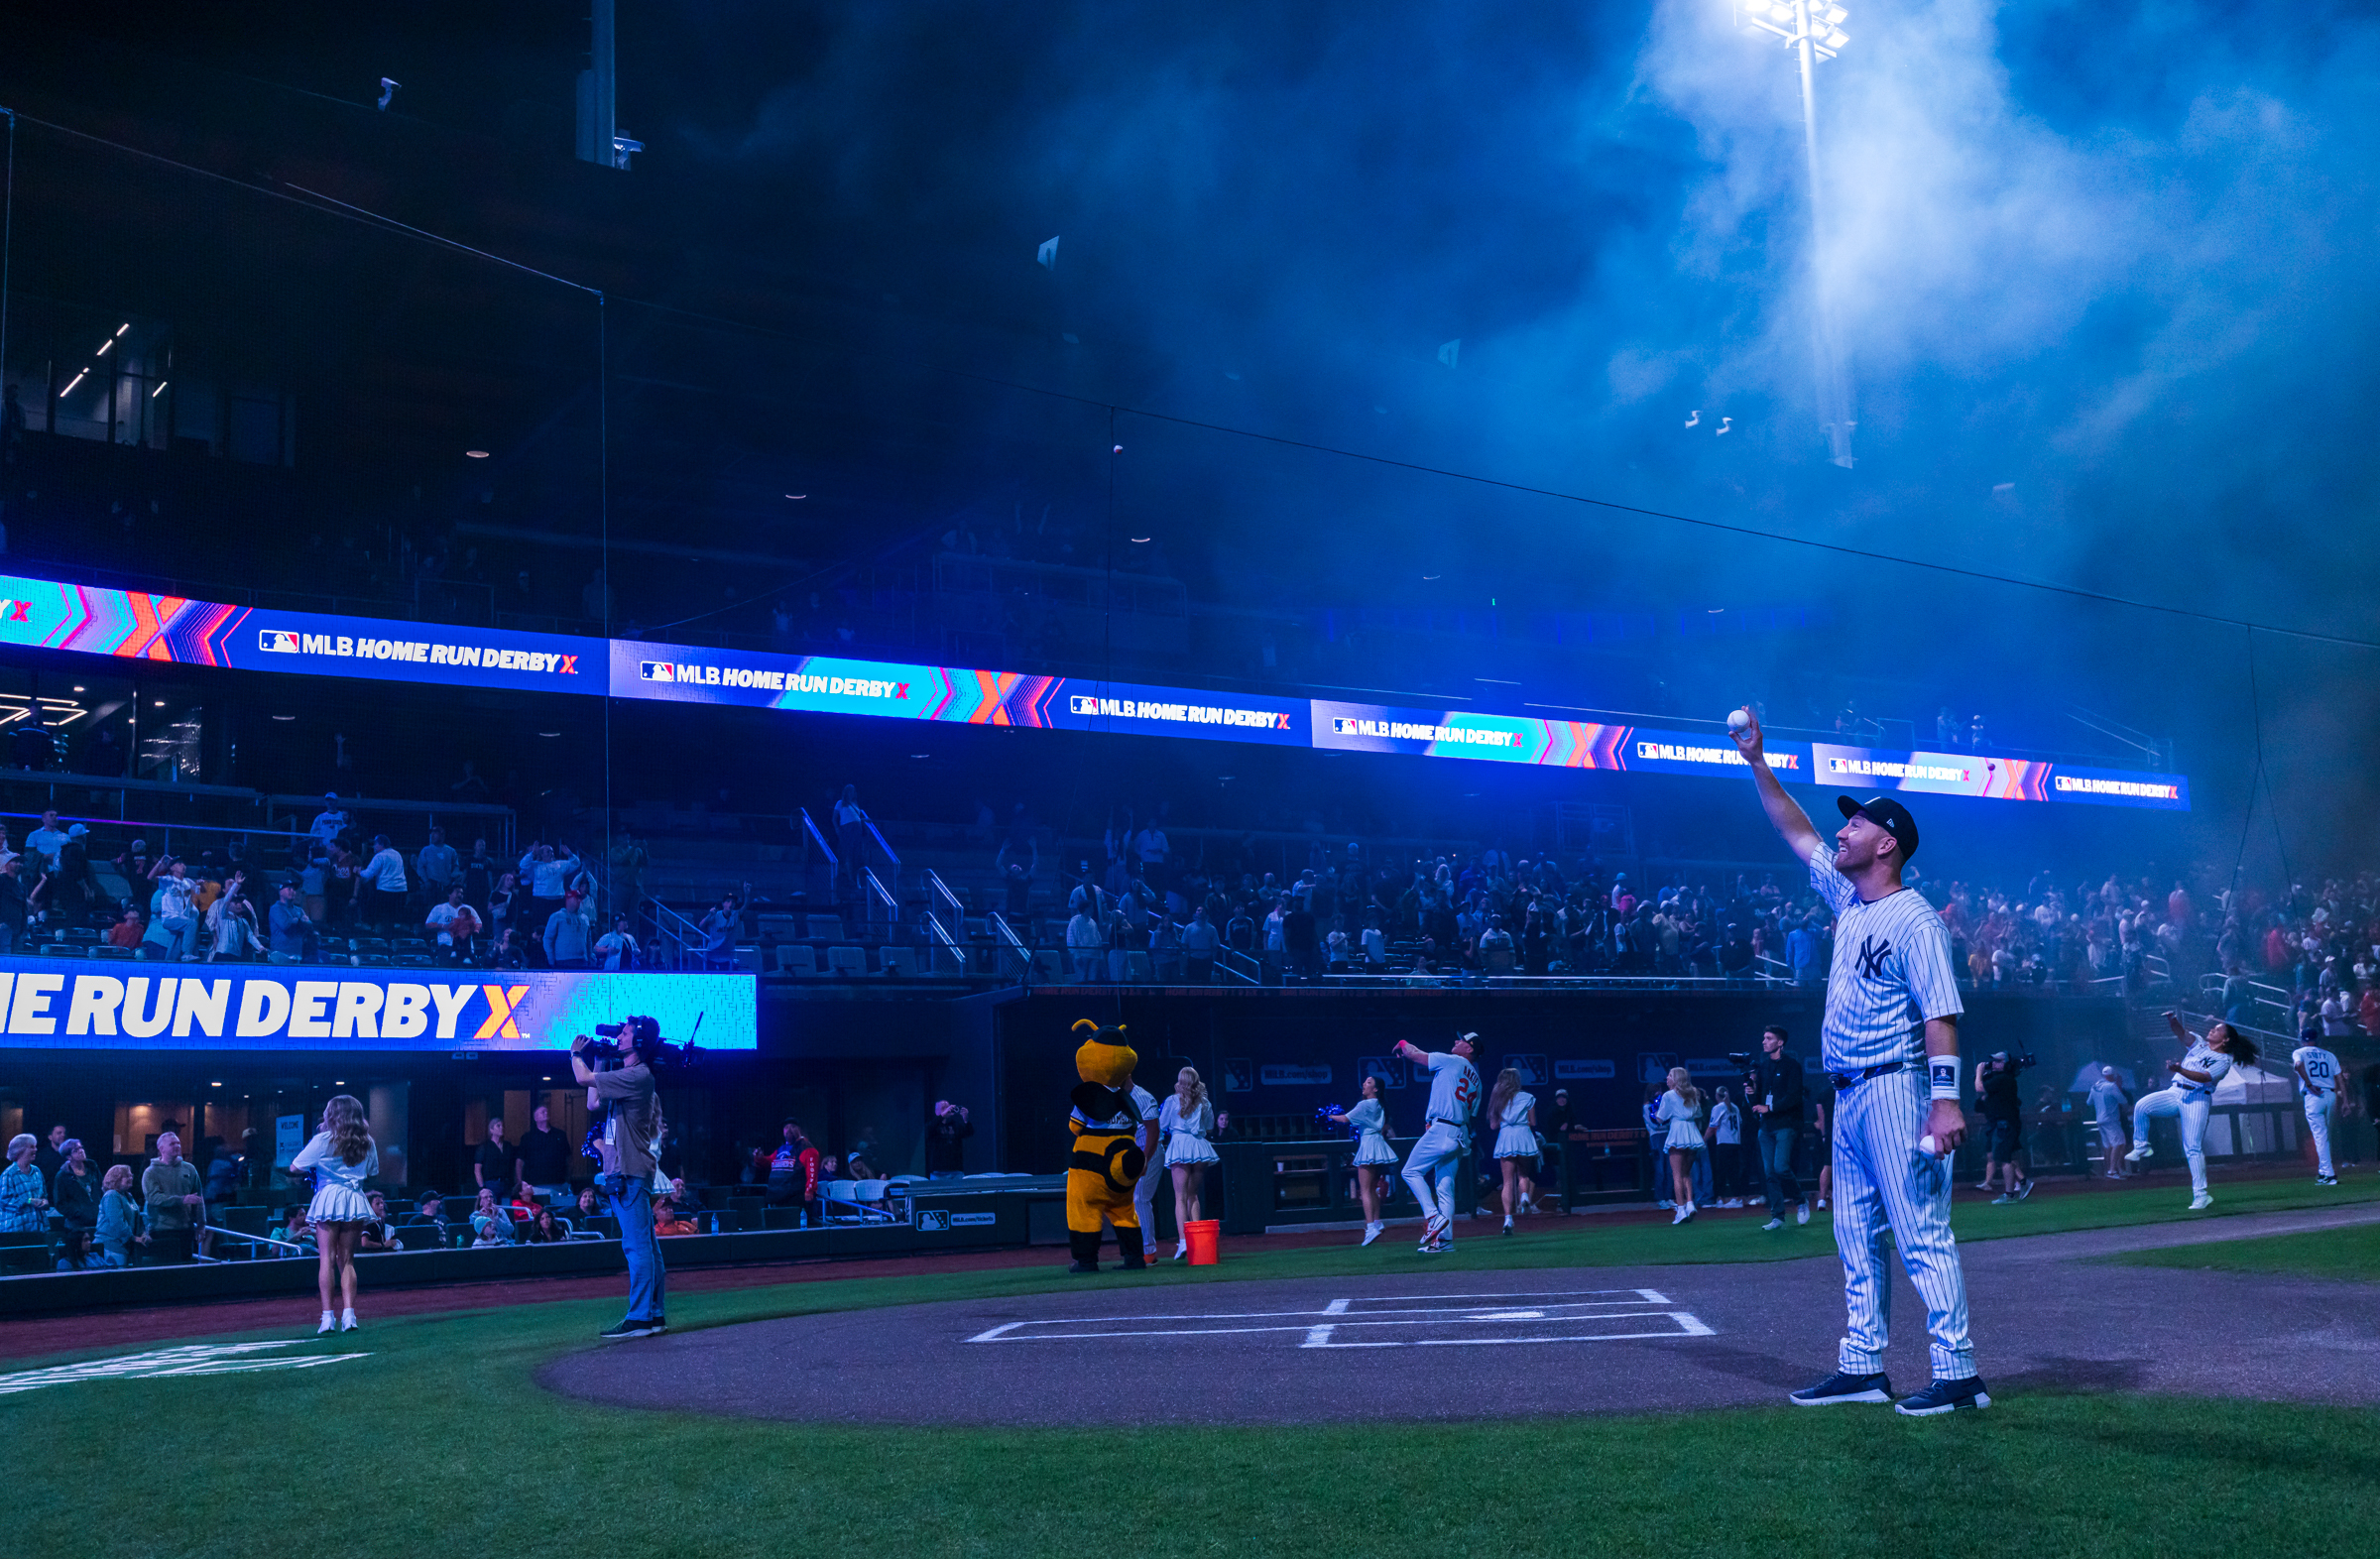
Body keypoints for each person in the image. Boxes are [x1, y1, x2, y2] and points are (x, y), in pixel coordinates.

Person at [1731, 705, 1985, 1415]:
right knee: (1853, 1234)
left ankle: (1959, 1373)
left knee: (1920, 1231)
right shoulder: (1848, 897)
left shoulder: (1915, 919)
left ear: (1888, 844)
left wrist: (1945, 1101)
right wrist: (1757, 760)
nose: (1840, 829)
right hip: (1847, 1093)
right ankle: (1863, 1364)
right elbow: (1795, 828)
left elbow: (1941, 1015)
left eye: (1855, 823)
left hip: (1900, 1088)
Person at [571, 1016, 669, 1338]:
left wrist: (577, 1055)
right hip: (628, 1171)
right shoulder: (632, 1075)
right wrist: (601, 1055)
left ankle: (640, 1318)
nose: (619, 1037)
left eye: (625, 1034)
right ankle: (653, 1315)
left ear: (638, 1042)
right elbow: (593, 1102)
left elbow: (584, 1079)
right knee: (648, 1247)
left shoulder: (637, 1075)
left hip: (628, 1171)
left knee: (637, 1247)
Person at [2127, 1013, 2259, 1208]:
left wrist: (2180, 1070)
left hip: (2197, 1099)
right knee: (2141, 1106)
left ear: (2226, 1040)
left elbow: (2204, 1077)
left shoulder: (2224, 1060)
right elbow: (2182, 1034)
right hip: (2175, 1092)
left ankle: (2201, 1195)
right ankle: (2142, 1146)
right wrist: (2173, 1020)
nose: (2212, 1029)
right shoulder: (2199, 1043)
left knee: (2192, 1147)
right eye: (2214, 1027)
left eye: (2218, 1029)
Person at [290, 1095, 377, 1334]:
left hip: (328, 1197)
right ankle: (350, 1316)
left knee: (326, 1259)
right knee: (347, 1260)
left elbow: (295, 1167)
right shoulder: (366, 1141)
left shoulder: (323, 1139)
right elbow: (372, 1170)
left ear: (332, 1115)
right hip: (354, 1198)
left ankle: (327, 1318)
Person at [1393, 1031, 1481, 1256]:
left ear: (1469, 1049)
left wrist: (1403, 1042)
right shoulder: (1477, 1081)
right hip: (1460, 1133)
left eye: (1461, 1040)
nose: (1455, 1041)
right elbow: (1469, 1113)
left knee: (1410, 1171)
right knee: (1444, 1188)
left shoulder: (1451, 1061)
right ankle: (1445, 1241)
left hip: (1443, 1129)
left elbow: (1414, 1054)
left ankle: (1433, 1217)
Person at [1159, 1065, 1224, 1261]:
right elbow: (1210, 1126)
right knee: (1193, 1195)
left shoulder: (1172, 1100)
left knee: (1180, 1197)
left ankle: (1184, 1241)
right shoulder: (1204, 1102)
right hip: (1198, 1146)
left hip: (1180, 1144)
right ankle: (1197, 1239)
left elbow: (1162, 1125)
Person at [1750, 1024, 1810, 1230]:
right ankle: (1778, 1217)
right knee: (1769, 1173)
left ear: (1780, 1042)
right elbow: (1756, 1102)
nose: (1764, 1041)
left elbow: (1794, 1097)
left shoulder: (1792, 1066)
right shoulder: (1762, 1066)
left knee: (1781, 1167)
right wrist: (1750, 1092)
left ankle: (1800, 1200)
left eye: (1768, 1038)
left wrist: (1770, 1107)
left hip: (1785, 1124)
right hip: (1766, 1127)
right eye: (1764, 1038)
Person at [1327, 1073, 1398, 1246]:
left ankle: (1370, 1227)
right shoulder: (1380, 1105)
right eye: (1365, 1082)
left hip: (1369, 1146)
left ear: (1376, 1089)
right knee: (1372, 1188)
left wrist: (1328, 1116)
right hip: (1378, 1145)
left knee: (1365, 1190)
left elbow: (1344, 1119)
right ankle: (1377, 1221)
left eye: (1368, 1083)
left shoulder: (1365, 1104)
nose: (1364, 1084)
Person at [1973, 1052, 2033, 1204]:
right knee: (2008, 1157)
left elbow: (1979, 1087)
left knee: (2004, 1158)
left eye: (1998, 1061)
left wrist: (1979, 1072)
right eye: (1992, 1060)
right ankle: (2023, 1183)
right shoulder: (2003, 1079)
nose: (1993, 1063)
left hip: (2004, 1123)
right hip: (2007, 1122)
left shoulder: (2003, 1079)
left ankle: (2010, 1195)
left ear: (2006, 1063)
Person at [141, 1131, 207, 1263]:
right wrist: (182, 1199)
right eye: (172, 1144)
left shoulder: (189, 1169)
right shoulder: (151, 1172)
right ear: (161, 1149)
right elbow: (154, 1198)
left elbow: (199, 1198)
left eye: (178, 1143)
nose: (177, 1146)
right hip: (161, 1230)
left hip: (185, 1229)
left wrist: (201, 1224)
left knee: (185, 1270)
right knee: (166, 1272)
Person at [1488, 1067, 1541, 1233]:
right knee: (1524, 1174)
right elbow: (1533, 1122)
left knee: (1507, 1181)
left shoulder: (1497, 1098)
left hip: (1506, 1137)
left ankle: (1508, 1219)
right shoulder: (1528, 1097)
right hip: (1523, 1136)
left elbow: (1493, 1125)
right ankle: (1524, 1196)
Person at [1656, 1067, 1705, 1225]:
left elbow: (1660, 1118)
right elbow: (1698, 1114)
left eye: (1669, 1076)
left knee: (1676, 1175)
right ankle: (1690, 1203)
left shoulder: (1668, 1095)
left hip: (1678, 1132)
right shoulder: (1694, 1092)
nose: (1667, 1078)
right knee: (1686, 1173)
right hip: (1692, 1132)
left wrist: (1655, 1112)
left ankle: (1681, 1210)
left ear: (1676, 1079)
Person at [2293, 1033, 2343, 1186]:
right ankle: (2323, 1171)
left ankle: (2329, 1174)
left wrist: (2308, 1084)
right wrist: (2345, 1101)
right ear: (2317, 1039)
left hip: (2314, 1095)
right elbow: (2339, 1077)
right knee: (2326, 1135)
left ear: (2303, 1040)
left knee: (2321, 1136)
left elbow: (2297, 1065)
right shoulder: (2329, 1054)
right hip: (2331, 1094)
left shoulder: (2299, 1052)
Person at [517, 1102, 573, 1202]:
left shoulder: (560, 1135)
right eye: (542, 1112)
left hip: (558, 1182)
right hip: (535, 1184)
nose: (546, 1113)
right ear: (536, 1118)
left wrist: (567, 1180)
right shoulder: (528, 1138)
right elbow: (520, 1162)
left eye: (546, 1111)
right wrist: (520, 1183)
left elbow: (568, 1159)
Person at [93, 1164, 148, 1266]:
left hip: (125, 1245)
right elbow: (117, 1222)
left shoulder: (128, 1195)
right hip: (112, 1246)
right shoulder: (111, 1195)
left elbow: (137, 1217)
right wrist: (134, 1238)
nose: (131, 1178)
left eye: (131, 1175)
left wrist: (143, 1233)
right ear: (116, 1178)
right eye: (127, 1176)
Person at [52, 1138, 99, 1247]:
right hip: (77, 1225)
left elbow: (101, 1189)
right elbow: (60, 1203)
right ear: (69, 1157)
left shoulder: (93, 1168)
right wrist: (79, 1213)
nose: (81, 1151)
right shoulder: (62, 1176)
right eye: (76, 1150)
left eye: (81, 1147)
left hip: (97, 1222)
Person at [2087, 1066, 2130, 1180]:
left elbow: (2089, 1102)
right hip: (2111, 1120)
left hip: (2100, 1120)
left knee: (2108, 1145)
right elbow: (2123, 1100)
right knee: (2119, 1143)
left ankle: (2112, 1169)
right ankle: (2112, 1171)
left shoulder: (2094, 1087)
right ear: (2112, 1076)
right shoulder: (2111, 1086)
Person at [0, 1133, 48, 1234]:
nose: (35, 1149)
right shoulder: (9, 1174)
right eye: (31, 1147)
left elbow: (44, 1195)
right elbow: (5, 1202)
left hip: (38, 1228)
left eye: (35, 1147)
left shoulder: (36, 1171)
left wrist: (44, 1202)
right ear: (20, 1150)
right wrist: (29, 1200)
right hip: (16, 1230)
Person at [1709, 1086, 1744, 1208]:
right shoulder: (1735, 1107)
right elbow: (1739, 1124)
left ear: (1717, 1095)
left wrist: (1702, 1140)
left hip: (1724, 1142)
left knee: (1721, 1172)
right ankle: (1736, 1197)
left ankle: (1722, 1198)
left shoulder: (1718, 1108)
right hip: (1735, 1142)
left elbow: (1712, 1126)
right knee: (1733, 1171)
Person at [924, 1100, 974, 1178]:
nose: (948, 1109)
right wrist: (942, 1115)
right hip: (938, 1171)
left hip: (956, 1170)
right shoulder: (933, 1125)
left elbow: (969, 1133)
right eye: (943, 1108)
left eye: (948, 1107)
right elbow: (928, 1131)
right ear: (936, 1111)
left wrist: (965, 1119)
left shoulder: (955, 1125)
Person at [473, 1117, 518, 1201]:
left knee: (506, 1208)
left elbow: (513, 1166)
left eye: (502, 1126)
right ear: (491, 1130)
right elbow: (477, 1169)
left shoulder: (508, 1146)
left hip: (506, 1183)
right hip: (491, 1184)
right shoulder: (485, 1147)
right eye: (498, 1126)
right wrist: (482, 1187)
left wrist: (515, 1183)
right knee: (493, 1208)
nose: (502, 1128)